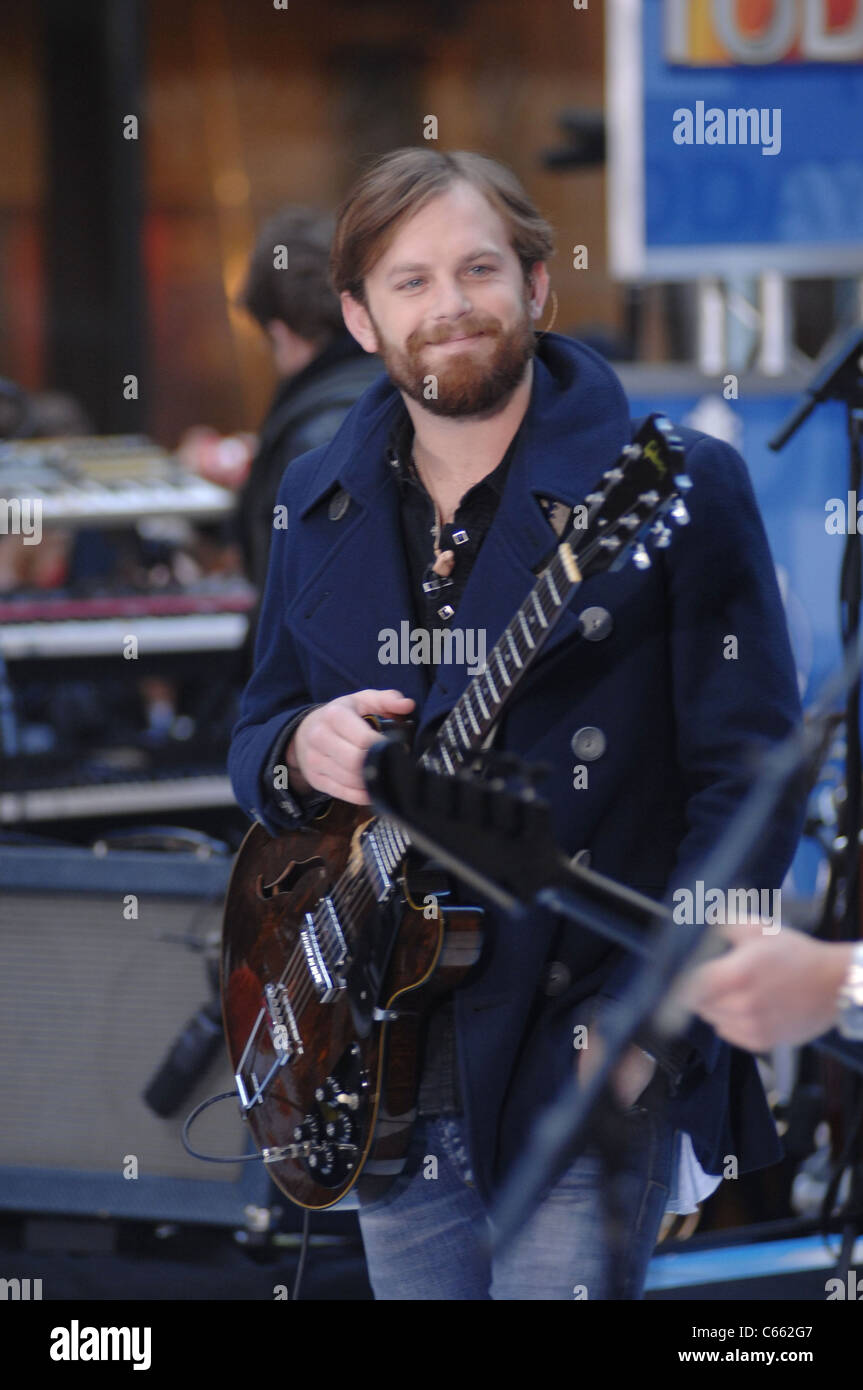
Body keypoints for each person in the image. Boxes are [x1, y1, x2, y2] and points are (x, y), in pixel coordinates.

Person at [228, 147, 805, 1299]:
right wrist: (300, 749)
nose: (448, 306)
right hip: (380, 1045)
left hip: (577, 1037)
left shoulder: (679, 488)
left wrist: (644, 1025)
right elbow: (252, 736)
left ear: (536, 287)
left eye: (477, 269)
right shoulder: (311, 498)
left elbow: (751, 787)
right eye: (408, 281)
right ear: (356, 318)